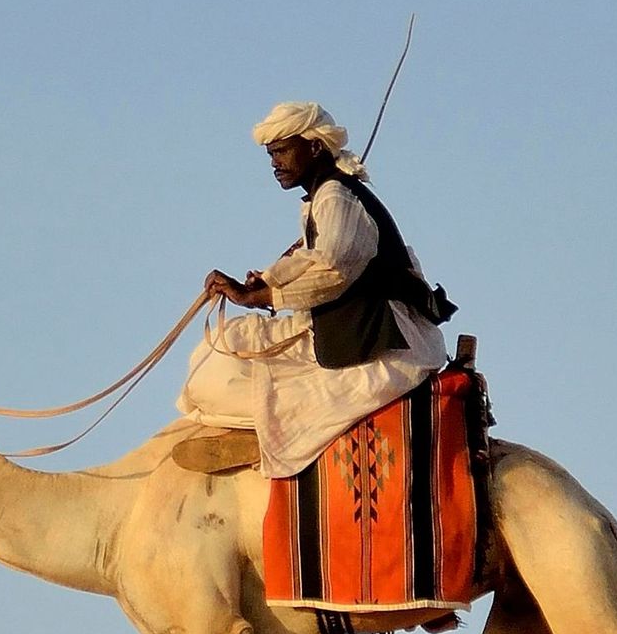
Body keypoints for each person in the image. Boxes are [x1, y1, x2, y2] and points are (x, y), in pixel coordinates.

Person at [173, 99, 450, 477]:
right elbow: (312, 259)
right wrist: (266, 281)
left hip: (387, 349)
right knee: (217, 350)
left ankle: (271, 440)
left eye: (282, 151)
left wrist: (258, 296)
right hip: (355, 331)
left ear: (315, 146)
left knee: (218, 377)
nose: (274, 163)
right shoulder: (325, 197)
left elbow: (332, 270)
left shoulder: (337, 197)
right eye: (271, 154)